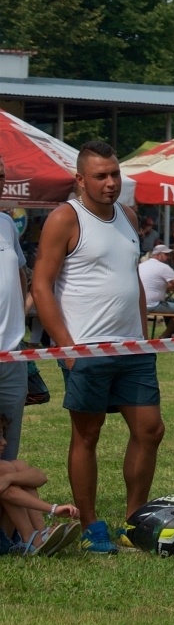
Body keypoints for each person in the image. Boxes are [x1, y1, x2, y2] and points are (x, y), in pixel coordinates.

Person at [32, 141, 163, 554]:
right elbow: (41, 285)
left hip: (133, 349)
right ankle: (91, 524)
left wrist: (142, 334)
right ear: (80, 179)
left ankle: (134, 519)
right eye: (101, 176)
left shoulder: (127, 215)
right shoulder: (64, 219)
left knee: (150, 430)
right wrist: (67, 349)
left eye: (115, 174)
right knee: (87, 435)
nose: (110, 183)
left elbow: (133, 280)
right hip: (86, 347)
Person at [0, 156, 28, 463]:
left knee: (7, 449)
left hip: (12, 356)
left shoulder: (6, 223)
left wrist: (22, 313)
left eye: (2, 175)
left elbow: (20, 272)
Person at [139, 244, 174, 335]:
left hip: (140, 305)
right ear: (158, 255)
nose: (168, 257)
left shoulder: (141, 265)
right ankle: (167, 334)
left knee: (168, 304)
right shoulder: (163, 267)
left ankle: (171, 334)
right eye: (166, 254)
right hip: (154, 305)